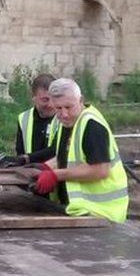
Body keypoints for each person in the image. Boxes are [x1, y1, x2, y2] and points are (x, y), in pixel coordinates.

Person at [29, 78, 129, 223]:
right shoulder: (67, 123)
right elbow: (68, 157)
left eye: (68, 107)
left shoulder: (92, 125)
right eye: (58, 108)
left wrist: (56, 175)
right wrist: (44, 168)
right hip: (82, 210)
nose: (63, 114)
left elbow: (100, 170)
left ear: (80, 100)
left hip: (102, 213)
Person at [0, 73, 59, 167]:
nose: (51, 104)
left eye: (54, 99)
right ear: (33, 97)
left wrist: (26, 159)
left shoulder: (64, 117)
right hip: (30, 173)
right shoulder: (24, 118)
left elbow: (57, 149)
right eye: (45, 100)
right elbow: (20, 151)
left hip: (56, 174)